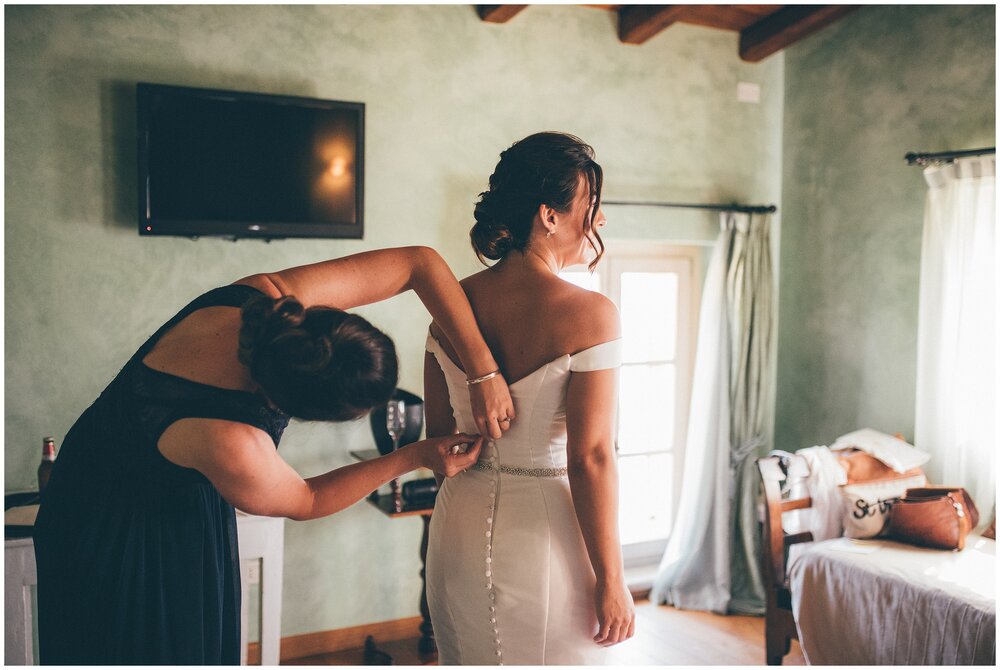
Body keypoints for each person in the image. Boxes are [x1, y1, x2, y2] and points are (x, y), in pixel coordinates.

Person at [32, 246, 515, 665]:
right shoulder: (230, 442)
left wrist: (484, 373)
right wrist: (415, 455)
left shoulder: (268, 303)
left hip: (148, 475)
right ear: (291, 408)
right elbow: (305, 500)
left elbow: (419, 264)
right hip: (111, 528)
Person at [424, 132, 635, 665]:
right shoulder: (591, 314)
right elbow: (590, 457)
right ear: (549, 215)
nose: (601, 220)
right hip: (544, 542)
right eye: (592, 204)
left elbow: (438, 443)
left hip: (455, 530)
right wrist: (612, 579)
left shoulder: (451, 307)